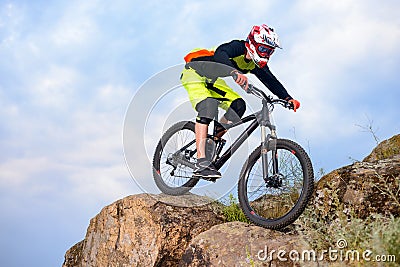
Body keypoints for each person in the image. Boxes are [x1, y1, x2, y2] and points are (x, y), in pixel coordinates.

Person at [180, 24, 300, 179]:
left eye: (270, 51)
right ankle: (201, 162)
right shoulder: (238, 47)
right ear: (253, 44)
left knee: (238, 105)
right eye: (263, 49)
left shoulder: (255, 64)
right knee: (208, 106)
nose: (266, 54)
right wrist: (234, 72)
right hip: (194, 73)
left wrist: (287, 98)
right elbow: (220, 54)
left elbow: (270, 80)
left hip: (214, 81)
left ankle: (213, 139)